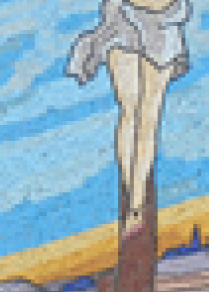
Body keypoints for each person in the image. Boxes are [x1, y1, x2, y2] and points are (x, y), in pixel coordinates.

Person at [67, 0, 191, 243]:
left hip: (162, 21)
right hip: (122, 17)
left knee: (147, 116)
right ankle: (133, 199)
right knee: (131, 111)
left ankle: (136, 204)